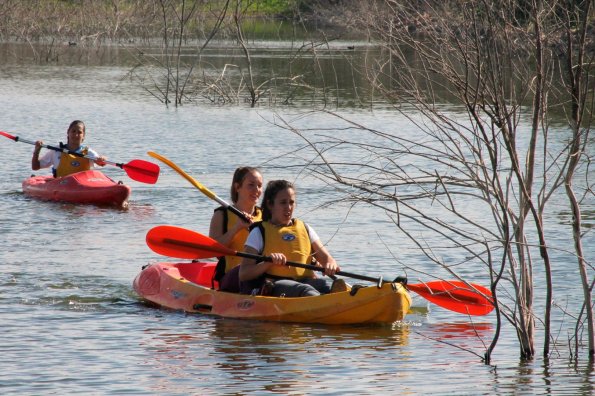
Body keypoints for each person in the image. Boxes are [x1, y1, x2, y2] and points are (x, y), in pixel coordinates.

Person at [239, 179, 346, 297]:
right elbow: (244, 274)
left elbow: (327, 259)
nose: (288, 207)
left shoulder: (305, 228)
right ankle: (328, 302)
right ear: (270, 204)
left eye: (291, 202)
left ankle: (335, 299)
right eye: (283, 202)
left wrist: (330, 264)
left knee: (323, 285)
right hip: (277, 284)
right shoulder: (259, 232)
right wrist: (267, 262)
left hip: (306, 282)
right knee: (305, 290)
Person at [209, 167, 263, 292]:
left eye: (259, 186)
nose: (257, 190)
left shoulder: (266, 216)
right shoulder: (221, 215)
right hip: (232, 275)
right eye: (251, 185)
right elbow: (214, 252)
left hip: (259, 272)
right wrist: (237, 228)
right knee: (243, 270)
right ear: (237, 187)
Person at [31, 120, 106, 178]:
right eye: (73, 131)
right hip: (61, 186)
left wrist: (102, 159)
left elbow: (101, 163)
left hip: (82, 187)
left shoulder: (88, 152)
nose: (76, 135)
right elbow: (35, 167)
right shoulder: (57, 150)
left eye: (79, 132)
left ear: (83, 136)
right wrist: (37, 150)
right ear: (68, 132)